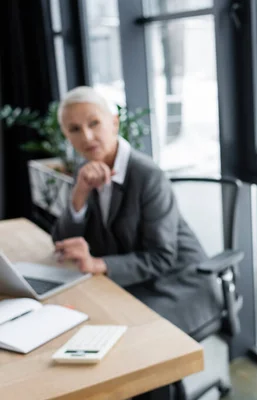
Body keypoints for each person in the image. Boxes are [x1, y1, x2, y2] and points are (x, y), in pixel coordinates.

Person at [52, 86, 222, 337]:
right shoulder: (84, 171)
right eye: (75, 129)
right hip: (129, 282)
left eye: (94, 123)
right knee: (75, 321)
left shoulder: (147, 175)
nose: (87, 137)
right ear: (67, 136)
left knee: (113, 337)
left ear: (114, 123)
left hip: (175, 285)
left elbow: (162, 257)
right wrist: (79, 195)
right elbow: (62, 243)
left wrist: (98, 263)